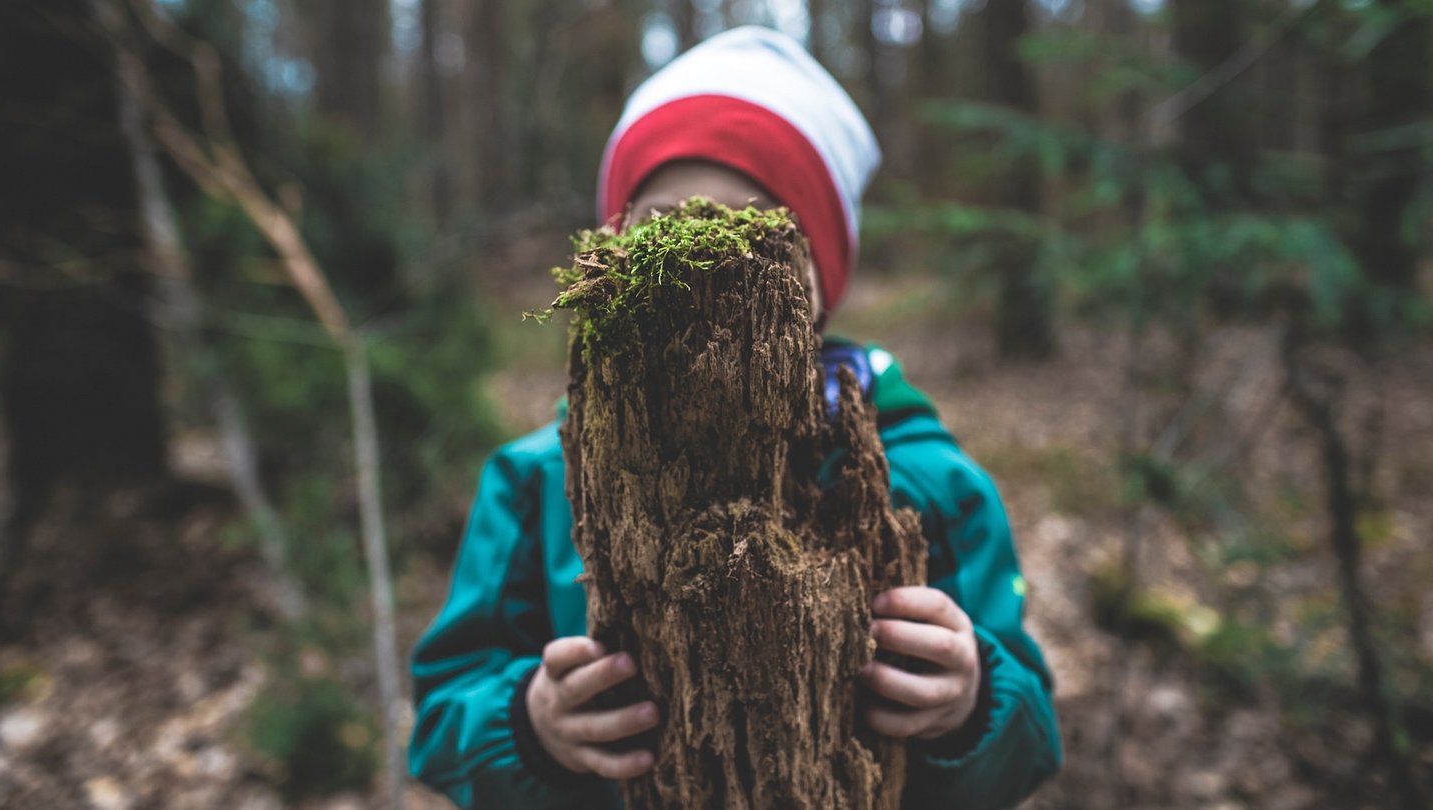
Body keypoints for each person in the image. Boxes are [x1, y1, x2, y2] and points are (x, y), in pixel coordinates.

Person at [409, 26, 1062, 810]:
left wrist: (972, 704)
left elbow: (1030, 736)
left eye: (759, 234)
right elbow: (444, 712)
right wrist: (530, 726)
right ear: (608, 259)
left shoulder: (929, 483)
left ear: (821, 278)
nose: (705, 262)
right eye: (663, 228)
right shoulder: (539, 482)